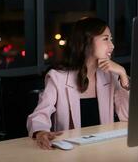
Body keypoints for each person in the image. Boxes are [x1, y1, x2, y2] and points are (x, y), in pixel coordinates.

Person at [27, 17, 130, 149]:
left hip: (104, 150)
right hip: (71, 152)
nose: (112, 45)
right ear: (87, 42)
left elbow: (127, 117)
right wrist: (41, 132)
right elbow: (40, 114)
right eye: (105, 39)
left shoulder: (110, 75)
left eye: (111, 39)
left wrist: (123, 74)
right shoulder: (57, 77)